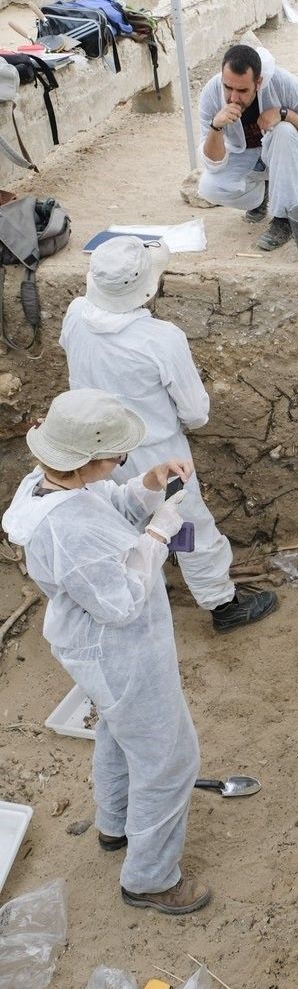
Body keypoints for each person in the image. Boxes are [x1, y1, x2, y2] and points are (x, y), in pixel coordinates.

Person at [2, 389, 208, 915]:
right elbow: (119, 603)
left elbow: (105, 509)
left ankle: (114, 823)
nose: (121, 462)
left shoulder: (45, 484)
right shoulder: (68, 531)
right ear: (85, 460)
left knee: (119, 730)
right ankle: (151, 879)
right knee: (169, 758)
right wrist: (159, 535)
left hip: (99, 650)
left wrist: (145, 485)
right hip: (120, 650)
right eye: (116, 456)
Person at [59, 235, 278, 634]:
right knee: (188, 527)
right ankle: (222, 605)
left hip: (90, 452)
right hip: (155, 454)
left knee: (120, 525)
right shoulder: (161, 338)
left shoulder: (75, 314)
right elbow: (195, 412)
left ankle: (141, 595)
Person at [197, 43, 298, 251]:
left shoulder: (283, 82)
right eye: (228, 87)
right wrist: (216, 126)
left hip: (287, 148)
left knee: (284, 131)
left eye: (242, 90)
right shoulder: (211, 93)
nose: (233, 97)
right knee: (209, 187)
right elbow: (213, 164)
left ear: (258, 82)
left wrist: (285, 113)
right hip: (247, 156)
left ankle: (284, 219)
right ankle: (261, 198)